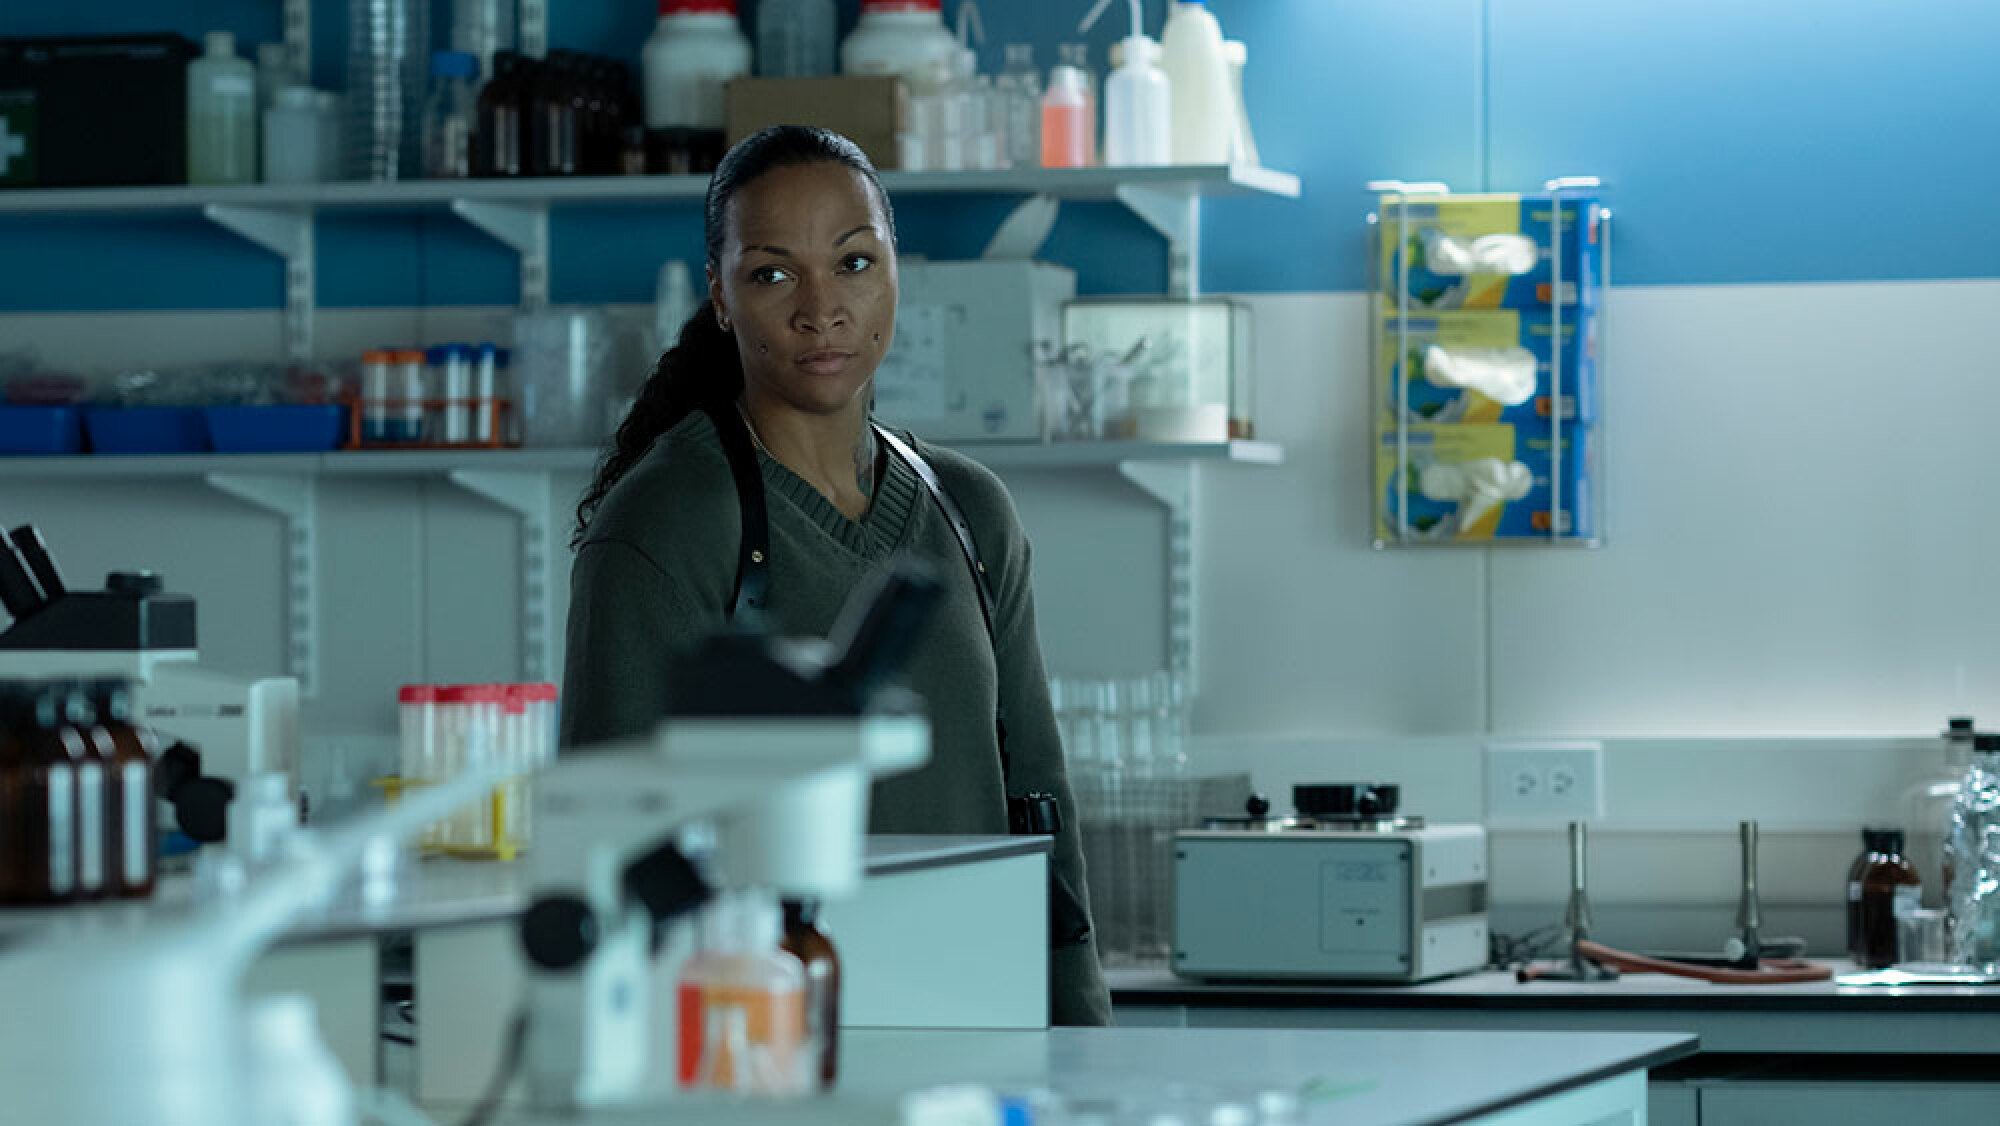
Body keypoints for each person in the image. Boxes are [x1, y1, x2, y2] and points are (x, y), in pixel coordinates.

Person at [560, 125, 1111, 1026]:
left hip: (981, 1026)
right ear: (722, 296)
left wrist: (1085, 1042)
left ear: (898, 272)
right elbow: (607, 836)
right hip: (770, 1049)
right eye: (774, 273)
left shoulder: (970, 512)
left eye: (855, 263)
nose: (822, 308)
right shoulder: (671, 521)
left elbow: (1040, 804)